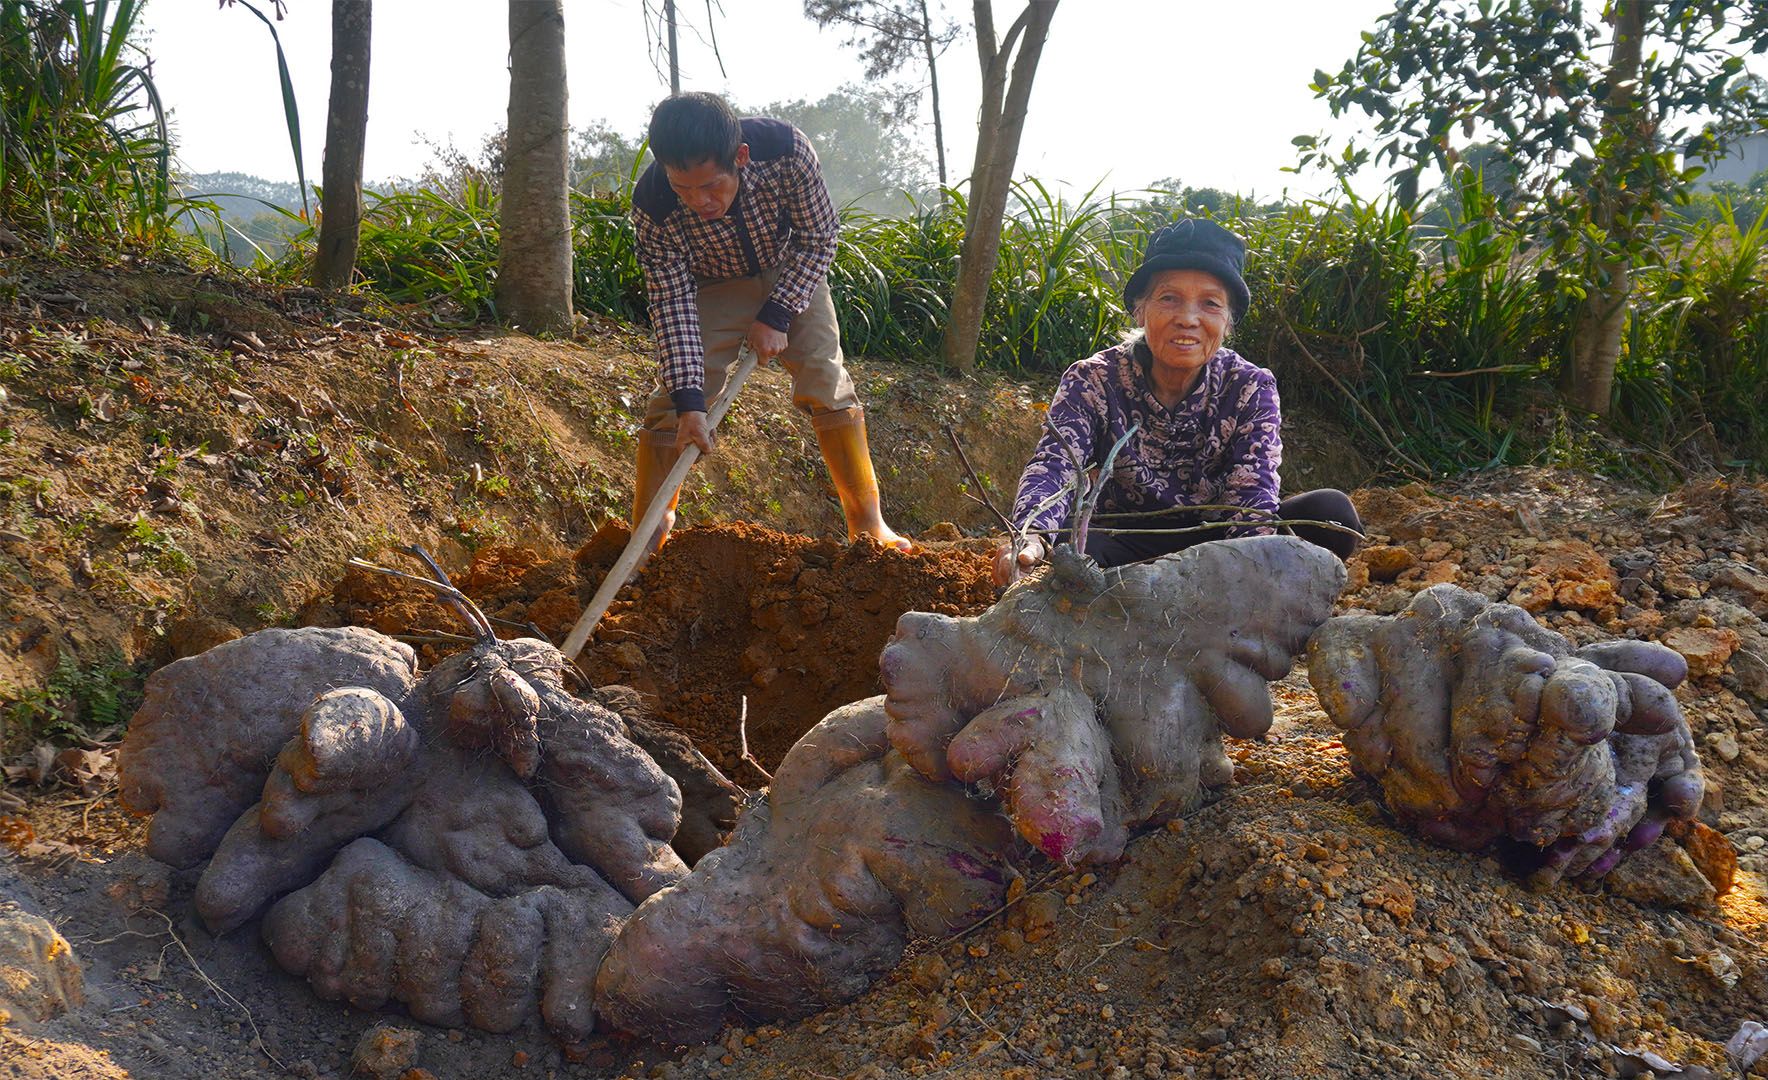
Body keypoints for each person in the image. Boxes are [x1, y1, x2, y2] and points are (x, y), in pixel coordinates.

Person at [994, 218, 1362, 586]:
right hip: (1122, 538)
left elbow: (1252, 492)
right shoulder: (1094, 378)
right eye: (1168, 298)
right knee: (1070, 554)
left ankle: (1217, 587)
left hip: (1217, 538)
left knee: (1331, 515)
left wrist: (1248, 571)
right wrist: (1032, 532)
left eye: (1210, 303)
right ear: (1140, 310)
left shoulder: (1249, 385)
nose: (1188, 319)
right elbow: (1056, 465)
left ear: (1228, 322)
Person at [628, 91, 909, 555]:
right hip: (712, 285)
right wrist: (690, 402)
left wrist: (778, 313)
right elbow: (672, 303)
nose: (699, 201)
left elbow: (818, 238)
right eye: (684, 189)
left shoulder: (786, 152)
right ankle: (647, 540)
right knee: (673, 407)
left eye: (711, 186)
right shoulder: (654, 205)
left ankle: (868, 525)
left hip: (791, 266)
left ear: (740, 157)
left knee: (825, 377)